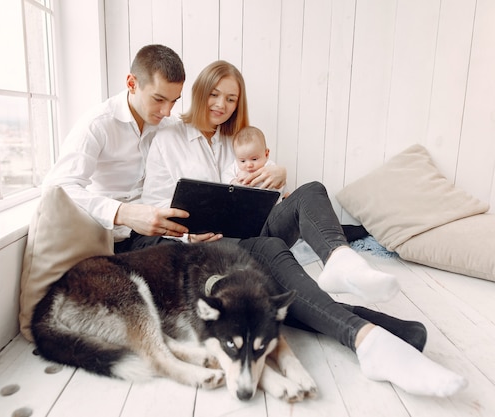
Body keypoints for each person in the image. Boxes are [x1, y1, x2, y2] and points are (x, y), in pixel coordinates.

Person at [142, 60, 467, 397]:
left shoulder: (237, 139)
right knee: (273, 258)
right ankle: (373, 333)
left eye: (231, 99)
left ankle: (340, 259)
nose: (221, 106)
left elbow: (260, 195)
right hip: (209, 252)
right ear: (198, 92)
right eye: (214, 94)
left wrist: (276, 176)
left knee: (310, 190)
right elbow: (152, 210)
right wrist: (185, 234)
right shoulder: (169, 136)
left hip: (249, 233)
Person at [42, 44, 192, 253]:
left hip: (153, 236)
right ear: (132, 83)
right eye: (158, 99)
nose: (167, 111)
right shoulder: (97, 124)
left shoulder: (168, 125)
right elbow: (57, 187)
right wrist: (123, 213)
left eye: (173, 101)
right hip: (105, 238)